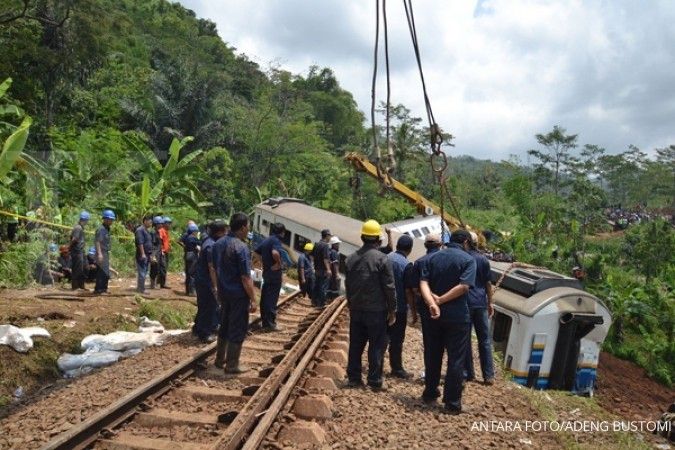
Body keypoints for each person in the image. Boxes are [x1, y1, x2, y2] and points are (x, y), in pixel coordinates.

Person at [419, 229, 476, 414]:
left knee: (432, 353)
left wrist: (432, 303)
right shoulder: (468, 260)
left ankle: (429, 392)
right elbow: (464, 287)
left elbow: (423, 283)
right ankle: (452, 402)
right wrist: (441, 300)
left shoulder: (432, 258)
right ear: (466, 242)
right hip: (458, 317)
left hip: (433, 316)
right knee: (456, 359)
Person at [345, 219, 397, 391]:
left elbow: (348, 285)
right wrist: (392, 310)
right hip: (376, 311)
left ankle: (354, 378)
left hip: (357, 309)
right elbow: (389, 287)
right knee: (376, 345)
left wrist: (351, 303)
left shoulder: (351, 259)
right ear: (378, 240)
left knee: (356, 345)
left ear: (362, 237)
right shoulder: (382, 259)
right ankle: (374, 380)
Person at [212, 212, 257, 373]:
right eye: (248, 226)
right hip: (238, 295)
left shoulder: (218, 244)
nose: (248, 230)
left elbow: (215, 269)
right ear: (243, 227)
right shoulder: (241, 247)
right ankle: (232, 364)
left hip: (224, 292)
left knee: (224, 325)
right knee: (237, 327)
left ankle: (219, 359)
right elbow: (245, 277)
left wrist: (217, 288)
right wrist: (253, 298)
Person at [411, 233, 443, 388]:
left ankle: (430, 375)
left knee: (430, 343)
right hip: (446, 307)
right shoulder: (446, 261)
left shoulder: (418, 262)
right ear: (440, 244)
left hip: (426, 309)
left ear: (425, 246)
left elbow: (415, 289)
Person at [464, 232, 495, 385]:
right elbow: (488, 284)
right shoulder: (484, 260)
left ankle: (468, 373)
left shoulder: (463, 258)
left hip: (466, 303)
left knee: (466, 338)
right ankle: (488, 375)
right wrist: (490, 303)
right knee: (485, 340)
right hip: (481, 303)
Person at [386, 234, 415, 379]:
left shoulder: (386, 258)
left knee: (381, 337)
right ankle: (396, 368)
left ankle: (376, 366)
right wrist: (413, 311)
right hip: (399, 308)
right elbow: (408, 291)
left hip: (383, 306)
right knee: (396, 340)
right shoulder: (406, 265)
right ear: (409, 249)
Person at [193, 220, 226, 343]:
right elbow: (211, 267)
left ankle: (197, 328)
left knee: (203, 306)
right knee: (209, 306)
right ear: (219, 232)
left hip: (201, 279)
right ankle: (204, 334)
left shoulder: (208, 241)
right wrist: (216, 286)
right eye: (224, 231)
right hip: (206, 281)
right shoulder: (212, 246)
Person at [254, 222, 286, 331]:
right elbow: (275, 253)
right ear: (282, 232)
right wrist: (278, 264)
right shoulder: (276, 240)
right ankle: (270, 324)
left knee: (265, 296)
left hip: (267, 272)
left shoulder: (267, 240)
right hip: (274, 274)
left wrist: (262, 263)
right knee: (272, 299)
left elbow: (256, 253)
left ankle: (265, 321)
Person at [94, 209, 116, 294]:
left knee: (106, 271)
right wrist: (99, 254)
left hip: (105, 252)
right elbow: (97, 241)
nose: (111, 221)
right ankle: (99, 289)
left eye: (112, 220)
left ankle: (104, 289)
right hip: (101, 252)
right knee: (102, 272)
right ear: (105, 219)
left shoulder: (107, 229)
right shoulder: (101, 229)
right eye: (110, 220)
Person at [311, 229, 332, 308]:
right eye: (329, 236)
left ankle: (314, 301)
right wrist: (328, 269)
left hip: (317, 269)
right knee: (322, 286)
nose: (330, 238)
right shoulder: (325, 245)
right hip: (323, 270)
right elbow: (325, 259)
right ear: (326, 236)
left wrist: (315, 265)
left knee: (316, 285)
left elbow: (312, 256)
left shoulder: (317, 244)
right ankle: (321, 303)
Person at [69, 211, 90, 290]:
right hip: (76, 251)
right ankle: (75, 286)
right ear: (86, 220)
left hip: (81, 251)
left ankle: (81, 285)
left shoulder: (81, 227)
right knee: (77, 269)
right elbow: (74, 239)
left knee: (85, 267)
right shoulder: (78, 228)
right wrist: (69, 248)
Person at [134, 216, 153, 294]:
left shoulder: (147, 231)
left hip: (147, 254)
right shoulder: (140, 230)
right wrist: (142, 254)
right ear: (145, 221)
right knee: (142, 272)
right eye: (150, 222)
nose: (151, 224)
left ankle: (141, 287)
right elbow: (140, 243)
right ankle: (141, 289)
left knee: (145, 272)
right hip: (142, 254)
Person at [183, 223, 201, 295]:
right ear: (194, 231)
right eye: (196, 231)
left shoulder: (187, 237)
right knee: (192, 273)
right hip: (192, 255)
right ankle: (192, 291)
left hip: (187, 254)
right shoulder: (192, 238)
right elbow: (200, 243)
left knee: (188, 273)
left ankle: (188, 291)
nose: (197, 233)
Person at [149, 216, 164, 289]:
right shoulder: (153, 232)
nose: (161, 225)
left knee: (157, 268)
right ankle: (152, 284)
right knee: (154, 268)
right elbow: (152, 244)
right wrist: (153, 255)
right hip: (155, 253)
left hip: (158, 252)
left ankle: (154, 284)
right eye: (160, 223)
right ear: (157, 224)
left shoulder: (158, 231)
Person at [157, 216, 171, 288]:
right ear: (164, 223)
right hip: (162, 252)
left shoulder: (166, 231)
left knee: (164, 267)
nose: (170, 225)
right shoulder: (161, 231)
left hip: (166, 252)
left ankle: (161, 282)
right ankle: (161, 283)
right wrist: (162, 250)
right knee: (163, 267)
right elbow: (160, 241)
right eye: (168, 223)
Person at [327, 235, 341, 300]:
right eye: (337, 244)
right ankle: (333, 301)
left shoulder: (329, 251)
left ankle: (328, 300)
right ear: (334, 244)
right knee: (335, 289)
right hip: (334, 275)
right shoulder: (334, 252)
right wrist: (337, 274)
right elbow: (335, 264)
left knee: (329, 289)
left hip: (330, 275)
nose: (338, 245)